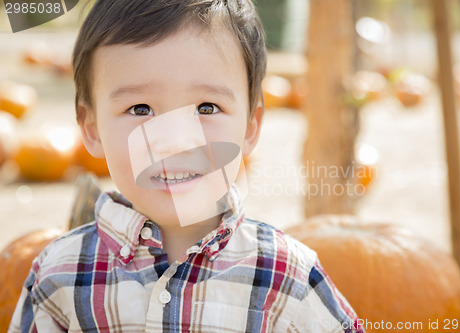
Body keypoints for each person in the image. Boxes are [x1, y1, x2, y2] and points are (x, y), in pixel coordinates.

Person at [9, 1, 365, 332]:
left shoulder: (288, 277)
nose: (176, 140)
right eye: (140, 109)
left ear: (250, 127)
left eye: (206, 108)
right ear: (91, 128)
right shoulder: (60, 274)